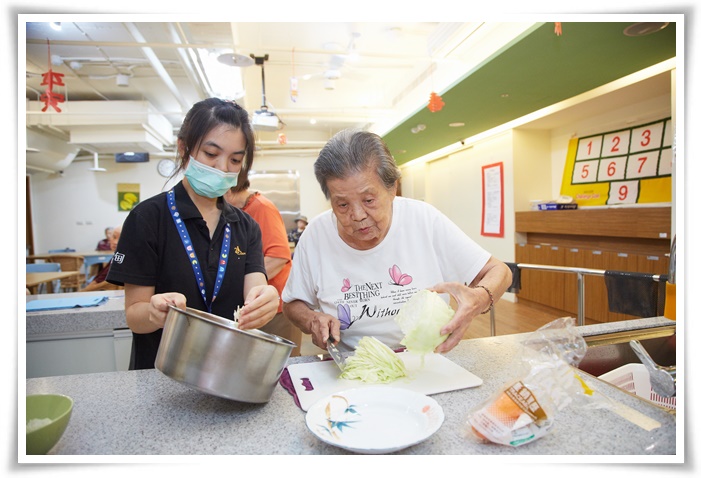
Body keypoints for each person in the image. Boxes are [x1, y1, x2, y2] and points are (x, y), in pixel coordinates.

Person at [281, 129, 512, 354]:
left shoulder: (423, 219)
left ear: (392, 189)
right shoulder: (316, 235)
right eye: (342, 205)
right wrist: (313, 319)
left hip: (427, 360)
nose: (358, 215)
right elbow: (292, 304)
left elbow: (498, 270)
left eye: (369, 200)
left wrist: (479, 298)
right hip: (353, 367)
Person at [106, 98, 279, 370]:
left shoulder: (246, 226)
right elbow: (134, 316)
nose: (223, 168)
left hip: (226, 372)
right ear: (184, 148)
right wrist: (154, 313)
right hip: (162, 374)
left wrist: (264, 301)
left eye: (235, 159)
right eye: (211, 154)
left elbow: (254, 289)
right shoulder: (148, 218)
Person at [224, 178, 301, 356]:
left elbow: (278, 257)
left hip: (276, 308)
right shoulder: (237, 211)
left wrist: (239, 281)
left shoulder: (261, 208)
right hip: (255, 304)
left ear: (228, 191)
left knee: (279, 365)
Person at [81, 226, 122, 292]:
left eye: (120, 239)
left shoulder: (119, 260)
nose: (115, 242)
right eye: (114, 237)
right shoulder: (102, 242)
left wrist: (81, 292)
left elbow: (97, 284)